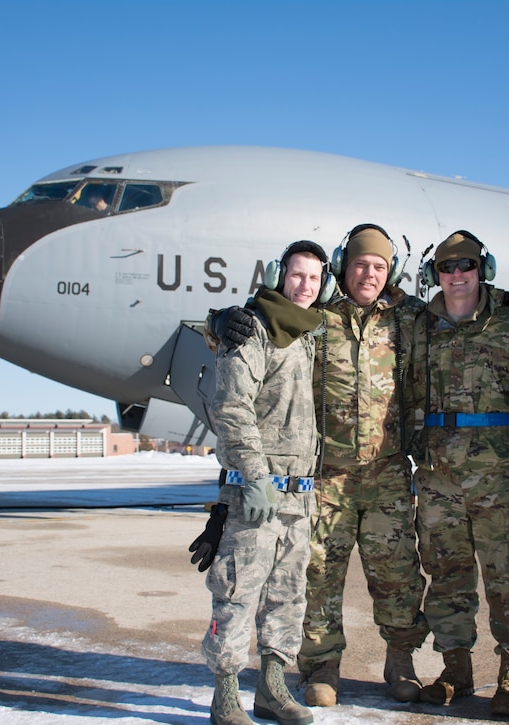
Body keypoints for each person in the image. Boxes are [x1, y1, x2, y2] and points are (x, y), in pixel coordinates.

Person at [208, 224, 429, 707]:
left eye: (379, 267)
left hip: (387, 472)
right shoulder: (315, 317)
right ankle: (321, 667)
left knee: (396, 575)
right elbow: (258, 332)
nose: (368, 274)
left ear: (390, 272)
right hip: (324, 476)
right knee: (317, 576)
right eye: (359, 265)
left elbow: (461, 330)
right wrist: (221, 319)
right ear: (342, 270)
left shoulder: (409, 318)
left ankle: (401, 662)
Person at [408, 231, 509, 717]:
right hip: (438, 476)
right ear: (434, 275)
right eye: (446, 268)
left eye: (466, 266)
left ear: (482, 268)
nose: (457, 276)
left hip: (496, 475)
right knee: (445, 575)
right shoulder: (418, 325)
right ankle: (455, 669)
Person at [201, 240, 329, 725]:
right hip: (257, 491)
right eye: (297, 275)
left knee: (288, 594)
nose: (305, 286)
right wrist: (255, 477)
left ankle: (272, 688)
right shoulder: (253, 328)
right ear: (280, 275)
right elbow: (232, 407)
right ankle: (226, 695)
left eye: (314, 278)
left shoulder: (310, 332)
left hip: (299, 493)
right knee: (236, 591)